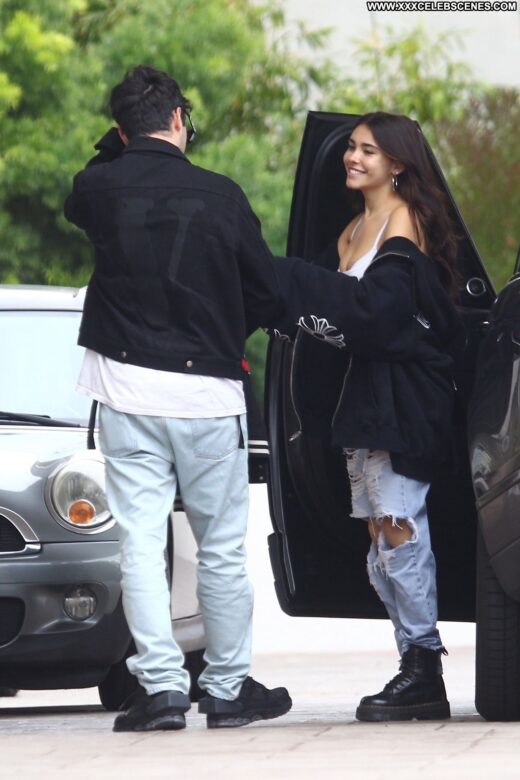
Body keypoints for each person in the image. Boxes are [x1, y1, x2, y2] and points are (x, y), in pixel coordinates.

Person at [64, 64, 291, 732]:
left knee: (140, 543)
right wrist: (222, 329)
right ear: (179, 119)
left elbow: (80, 194)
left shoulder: (100, 186)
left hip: (127, 392)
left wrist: (117, 146)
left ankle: (162, 689)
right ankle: (225, 689)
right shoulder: (223, 194)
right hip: (209, 397)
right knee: (220, 549)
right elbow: (268, 292)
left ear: (120, 131)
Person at [270, 111, 463, 722]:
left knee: (399, 526)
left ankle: (424, 667)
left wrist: (301, 284)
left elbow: (377, 313)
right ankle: (413, 663)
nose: (352, 158)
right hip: (361, 402)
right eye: (351, 148)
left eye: (368, 151)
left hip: (404, 397)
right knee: (380, 536)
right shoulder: (353, 229)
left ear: (397, 163)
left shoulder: (405, 222)